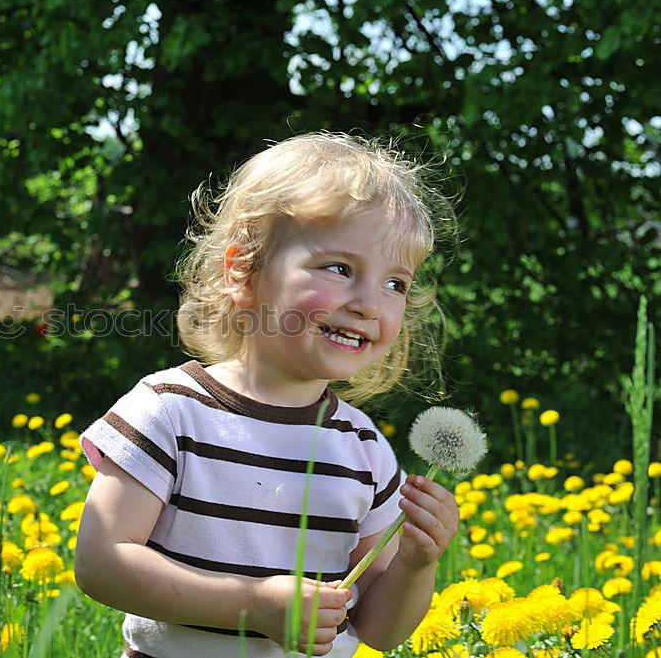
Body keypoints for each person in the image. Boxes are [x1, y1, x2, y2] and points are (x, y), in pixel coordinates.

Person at [74, 131, 460, 658]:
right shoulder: (170, 410)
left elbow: (378, 629)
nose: (370, 303)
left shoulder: (364, 450)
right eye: (340, 269)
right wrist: (250, 604)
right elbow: (102, 562)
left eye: (396, 283)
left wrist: (418, 564)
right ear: (244, 271)